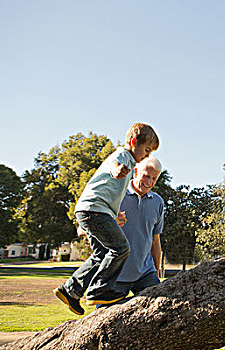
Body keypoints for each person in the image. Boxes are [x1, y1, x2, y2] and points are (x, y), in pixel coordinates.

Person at [54, 123, 159, 315]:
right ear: (134, 142)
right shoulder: (123, 156)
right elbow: (113, 166)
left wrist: (115, 213)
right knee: (121, 248)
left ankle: (70, 290)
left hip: (92, 210)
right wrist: (117, 170)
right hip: (94, 210)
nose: (147, 155)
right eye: (146, 150)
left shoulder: (130, 162)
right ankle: (98, 290)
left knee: (101, 254)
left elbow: (112, 191)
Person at [113, 155, 164, 297]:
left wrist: (156, 271)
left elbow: (155, 242)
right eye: (146, 176)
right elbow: (85, 229)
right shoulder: (116, 195)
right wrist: (110, 222)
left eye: (154, 178)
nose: (149, 182)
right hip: (115, 274)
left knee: (160, 312)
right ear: (135, 172)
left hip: (146, 274)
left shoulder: (158, 202)